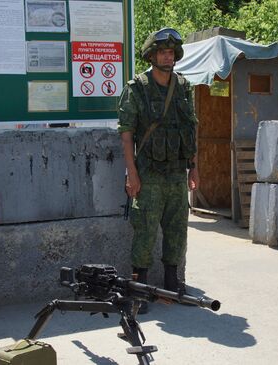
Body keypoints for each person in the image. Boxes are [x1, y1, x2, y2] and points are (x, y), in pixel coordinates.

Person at [118, 28, 199, 313]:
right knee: (145, 231)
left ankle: (171, 284)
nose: (168, 56)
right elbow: (126, 134)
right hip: (149, 174)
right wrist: (132, 172)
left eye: (171, 52)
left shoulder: (184, 87)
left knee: (177, 230)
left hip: (177, 173)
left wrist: (194, 168)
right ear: (152, 55)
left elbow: (191, 129)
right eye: (163, 52)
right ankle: (137, 289)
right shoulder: (137, 88)